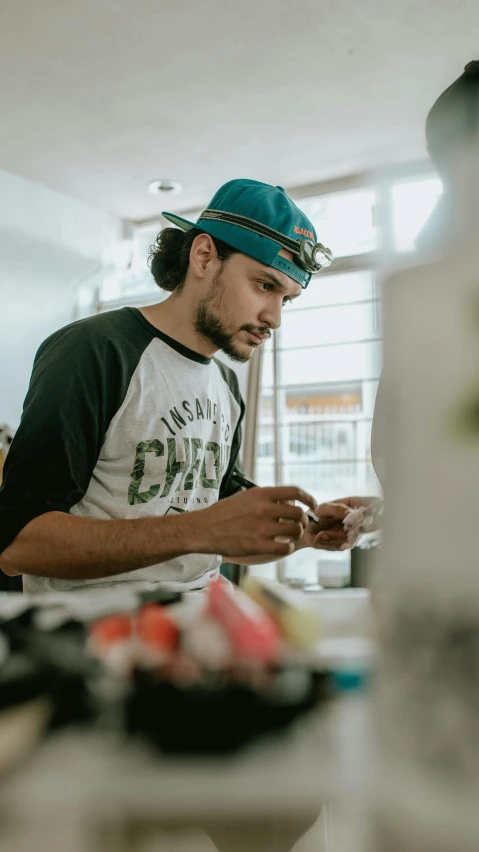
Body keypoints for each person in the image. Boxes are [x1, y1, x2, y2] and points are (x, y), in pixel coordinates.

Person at [0, 178, 379, 593]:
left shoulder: (226, 385)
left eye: (285, 299)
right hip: (92, 638)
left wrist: (308, 532)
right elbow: (18, 543)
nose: (274, 318)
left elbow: (219, 533)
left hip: (202, 629)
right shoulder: (95, 350)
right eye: (265, 285)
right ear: (203, 256)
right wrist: (196, 530)